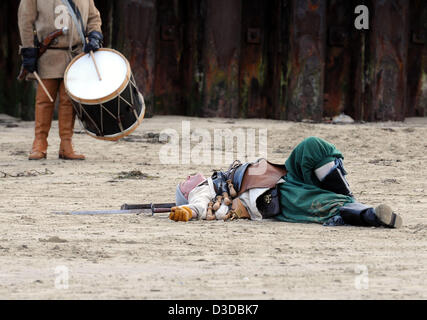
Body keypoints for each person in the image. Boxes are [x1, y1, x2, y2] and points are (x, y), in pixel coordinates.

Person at [169, 137, 403, 229]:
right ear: (187, 192)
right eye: (184, 182)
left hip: (285, 174)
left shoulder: (223, 175)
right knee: (327, 203)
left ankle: (350, 200)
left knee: (312, 147)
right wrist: (189, 210)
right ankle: (369, 214)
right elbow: (199, 204)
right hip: (274, 194)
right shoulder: (204, 190)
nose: (188, 178)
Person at [18, 0, 103, 160]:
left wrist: (94, 36)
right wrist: (28, 48)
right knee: (44, 100)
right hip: (48, 54)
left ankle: (66, 145)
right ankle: (39, 143)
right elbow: (25, 19)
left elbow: (94, 17)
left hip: (75, 55)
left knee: (68, 101)